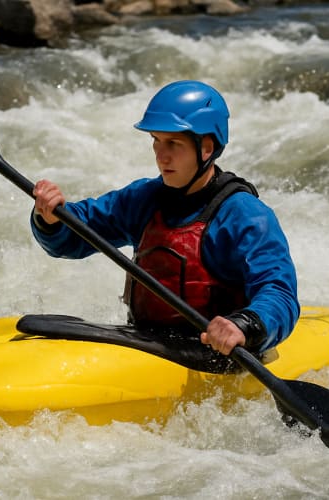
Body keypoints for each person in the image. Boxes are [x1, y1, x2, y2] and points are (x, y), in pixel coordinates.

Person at [31, 80, 299, 357]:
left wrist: (245, 325)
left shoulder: (244, 215)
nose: (161, 156)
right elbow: (75, 235)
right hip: (148, 345)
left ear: (206, 148)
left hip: (216, 355)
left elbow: (279, 291)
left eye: (173, 143)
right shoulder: (144, 198)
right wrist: (52, 218)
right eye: (156, 141)